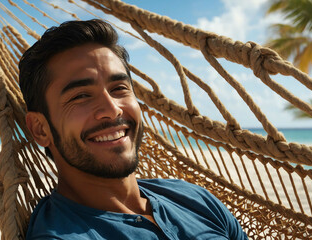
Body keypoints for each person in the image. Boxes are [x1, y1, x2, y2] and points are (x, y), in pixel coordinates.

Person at [19, 19, 248, 240]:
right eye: (81, 96)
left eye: (119, 88)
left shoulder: (192, 197)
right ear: (40, 129)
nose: (112, 109)